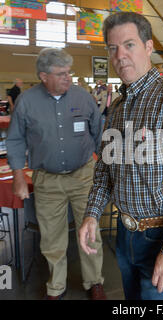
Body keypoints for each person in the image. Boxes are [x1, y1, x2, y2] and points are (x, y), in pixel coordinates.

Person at [79, 11, 163, 300]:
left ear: (149, 47)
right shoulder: (119, 106)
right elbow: (104, 172)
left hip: (162, 236)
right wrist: (91, 214)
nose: (119, 55)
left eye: (129, 45)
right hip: (126, 235)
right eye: (113, 48)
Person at [6, 48, 106, 300]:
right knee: (52, 237)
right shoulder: (27, 102)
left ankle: (94, 281)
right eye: (61, 74)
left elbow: (98, 133)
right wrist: (18, 175)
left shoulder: (83, 98)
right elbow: (16, 140)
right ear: (43, 76)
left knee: (90, 231)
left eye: (68, 72)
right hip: (46, 178)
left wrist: (103, 167)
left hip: (83, 175)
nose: (67, 78)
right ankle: (56, 286)